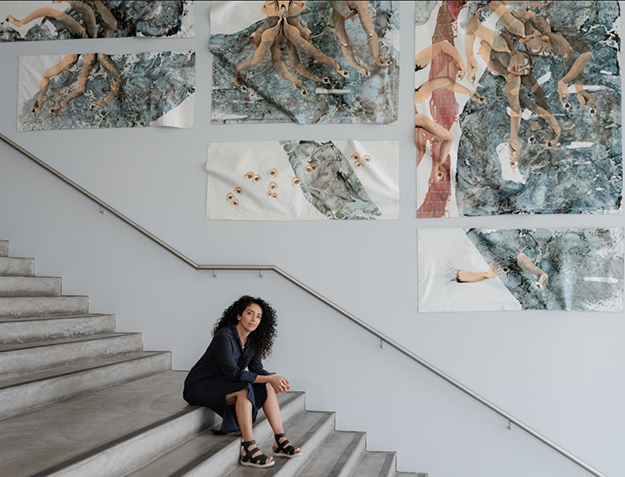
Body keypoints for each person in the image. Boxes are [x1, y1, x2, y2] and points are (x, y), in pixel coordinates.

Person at [183, 295, 301, 468]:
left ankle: (280, 440)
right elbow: (233, 374)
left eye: (258, 316)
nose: (254, 319)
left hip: (222, 384)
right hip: (199, 386)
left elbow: (257, 370)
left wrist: (275, 380)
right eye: (250, 313)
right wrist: (269, 378)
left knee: (265, 385)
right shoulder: (224, 336)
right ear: (239, 315)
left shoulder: (253, 341)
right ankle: (248, 448)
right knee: (245, 389)